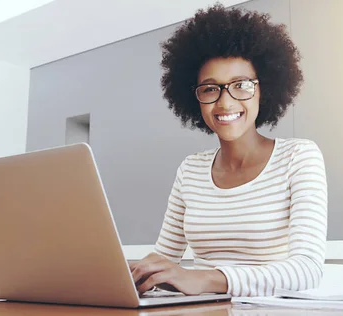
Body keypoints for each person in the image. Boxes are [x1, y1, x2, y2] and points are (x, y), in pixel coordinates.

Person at [129, 3, 328, 297]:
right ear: (195, 98)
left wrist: (206, 279)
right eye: (210, 89)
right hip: (200, 310)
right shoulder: (191, 169)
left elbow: (306, 270)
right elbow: (165, 260)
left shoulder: (299, 158)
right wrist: (135, 272)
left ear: (265, 89)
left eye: (241, 85)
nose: (225, 103)